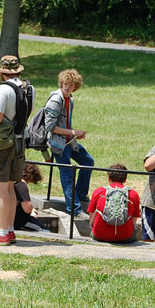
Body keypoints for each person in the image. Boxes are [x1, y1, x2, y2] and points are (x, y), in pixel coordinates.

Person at [0, 55, 36, 246]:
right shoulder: (29, 89)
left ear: (2, 73)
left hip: (2, 143)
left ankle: (1, 233)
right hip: (20, 141)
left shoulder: (3, 90)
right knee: (11, 186)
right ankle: (9, 231)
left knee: (0, 187)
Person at [45, 69, 94, 218]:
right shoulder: (55, 100)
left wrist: (74, 134)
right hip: (58, 145)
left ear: (75, 87)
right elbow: (50, 127)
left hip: (69, 142)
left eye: (70, 85)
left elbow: (65, 123)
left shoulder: (70, 99)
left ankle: (80, 194)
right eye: (65, 84)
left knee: (88, 161)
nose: (67, 87)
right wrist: (73, 132)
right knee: (67, 174)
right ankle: (75, 209)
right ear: (61, 83)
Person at [87, 164, 140, 243]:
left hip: (100, 235)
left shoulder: (98, 192)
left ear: (109, 178)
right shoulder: (133, 194)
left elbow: (91, 218)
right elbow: (134, 221)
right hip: (125, 236)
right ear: (125, 179)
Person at [12, 163, 49, 234]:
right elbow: (27, 209)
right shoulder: (21, 185)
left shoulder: (12, 181)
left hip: (5, 219)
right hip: (20, 220)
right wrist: (33, 211)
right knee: (45, 231)